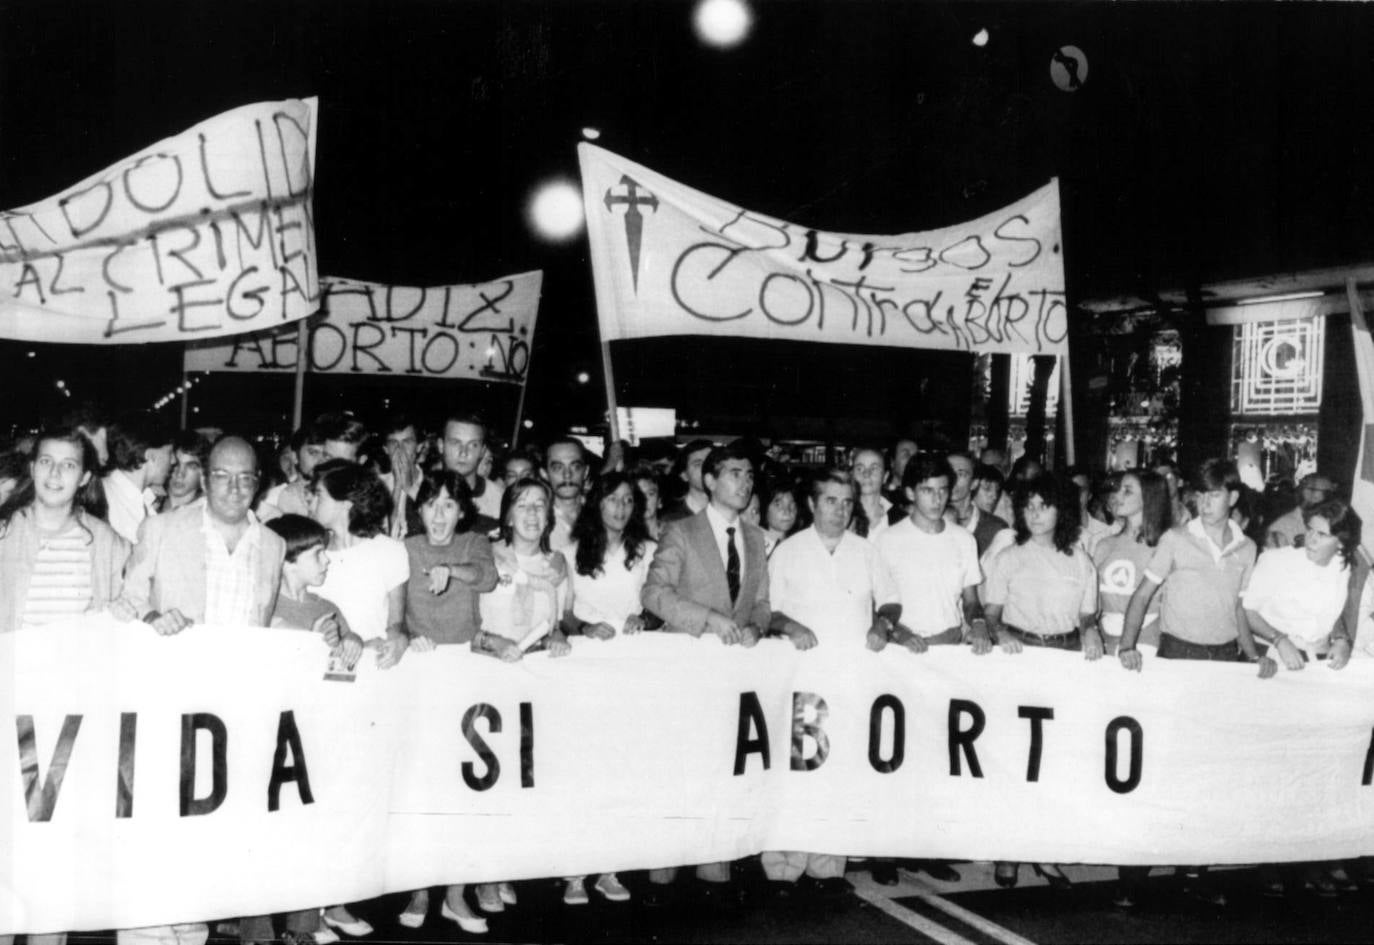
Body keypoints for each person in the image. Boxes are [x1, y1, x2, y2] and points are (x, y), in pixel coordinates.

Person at [114, 436, 286, 945]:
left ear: (259, 483)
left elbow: (267, 623)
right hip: (169, 706)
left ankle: (191, 927)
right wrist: (151, 617)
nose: (234, 488)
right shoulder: (162, 529)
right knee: (156, 833)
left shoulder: (273, 545)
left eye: (246, 477)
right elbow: (125, 603)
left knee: (208, 838)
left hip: (231, 716)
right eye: (222, 476)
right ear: (205, 477)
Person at [641, 440, 768, 907]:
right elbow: (654, 594)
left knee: (722, 768)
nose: (746, 482)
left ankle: (713, 864)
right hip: (686, 670)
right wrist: (708, 619)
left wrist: (756, 625)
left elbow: (761, 602)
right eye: (735, 473)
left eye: (750, 474)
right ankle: (663, 873)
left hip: (732, 676)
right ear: (710, 480)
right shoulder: (681, 532)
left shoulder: (755, 538)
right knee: (678, 771)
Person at [763, 467, 901, 895]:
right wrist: (790, 626)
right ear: (811, 503)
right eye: (830, 501)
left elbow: (892, 601)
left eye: (846, 502)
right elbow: (767, 610)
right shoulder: (789, 551)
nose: (840, 510)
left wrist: (882, 625)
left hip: (851, 684)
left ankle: (826, 870)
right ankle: (784, 869)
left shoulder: (865, 551)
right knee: (802, 775)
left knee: (839, 776)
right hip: (807, 684)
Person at [982, 471, 1101, 892]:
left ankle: (1046, 851)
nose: (1034, 514)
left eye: (1043, 506)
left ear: (1061, 511)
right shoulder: (1009, 557)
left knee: (1054, 763)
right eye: (1027, 506)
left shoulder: (1080, 559)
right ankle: (1009, 852)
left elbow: (1088, 612)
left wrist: (1089, 630)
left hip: (1063, 662)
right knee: (1016, 760)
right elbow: (990, 615)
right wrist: (1001, 635)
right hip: (1021, 660)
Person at [393, 469, 497, 934]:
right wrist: (411, 638)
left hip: (468, 680)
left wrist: (449, 570)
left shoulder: (474, 543)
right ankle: (419, 890)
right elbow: (395, 615)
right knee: (422, 787)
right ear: (418, 508)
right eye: (431, 503)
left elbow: (487, 578)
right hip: (421, 677)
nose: (439, 513)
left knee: (464, 791)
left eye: (449, 504)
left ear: (461, 511)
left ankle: (456, 896)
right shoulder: (405, 550)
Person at [472, 478, 572, 916]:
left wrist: (558, 637)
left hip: (533, 684)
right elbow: (466, 623)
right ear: (507, 514)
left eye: (540, 506)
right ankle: (486, 876)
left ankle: (510, 865)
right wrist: (494, 644)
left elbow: (561, 619)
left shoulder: (558, 564)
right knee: (490, 780)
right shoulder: (487, 556)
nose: (532, 514)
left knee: (527, 777)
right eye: (523, 505)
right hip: (491, 674)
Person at [558, 471, 656, 905]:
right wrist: (584, 626)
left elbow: (657, 607)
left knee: (624, 770)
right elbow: (562, 616)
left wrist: (645, 620)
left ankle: (611, 869)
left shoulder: (648, 552)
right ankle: (575, 873)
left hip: (632, 673)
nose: (620, 509)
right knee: (584, 771)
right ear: (596, 503)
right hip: (586, 671)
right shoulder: (570, 552)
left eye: (628, 502)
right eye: (612, 500)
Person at [0, 428, 129, 635]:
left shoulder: (106, 542)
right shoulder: (5, 534)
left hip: (78, 664)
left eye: (68, 465)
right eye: (46, 461)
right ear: (32, 469)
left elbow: (131, 603)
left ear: (84, 478)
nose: (54, 473)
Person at [1092, 470, 1172, 656]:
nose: (1117, 496)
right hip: (1104, 637)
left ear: (1148, 497)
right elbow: (1092, 599)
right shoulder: (1104, 544)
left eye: (1127, 491)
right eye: (1118, 489)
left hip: (1145, 641)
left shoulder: (1164, 545)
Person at [102, 414, 174, 543]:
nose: (173, 460)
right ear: (151, 456)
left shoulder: (141, 498)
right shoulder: (107, 502)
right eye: (169, 452)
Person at [441, 413, 503, 521]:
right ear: (441, 446)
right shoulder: (422, 491)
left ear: (482, 451)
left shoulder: (498, 498)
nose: (463, 452)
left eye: (473, 445)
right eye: (455, 442)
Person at [258, 424, 328, 520]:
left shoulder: (336, 497)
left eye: (326, 454)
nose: (321, 460)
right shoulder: (272, 499)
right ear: (295, 457)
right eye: (313, 453)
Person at [1265, 472, 1336, 549]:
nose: (1332, 499)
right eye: (1327, 493)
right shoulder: (1282, 527)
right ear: (1307, 493)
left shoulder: (1332, 523)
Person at [543, 436, 589, 552]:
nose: (567, 475)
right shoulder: (538, 519)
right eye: (558, 468)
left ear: (586, 472)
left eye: (575, 467)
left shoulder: (601, 513)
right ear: (544, 474)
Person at [660, 438, 713, 524]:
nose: (706, 468)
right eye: (698, 464)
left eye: (710, 462)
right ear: (684, 475)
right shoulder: (671, 519)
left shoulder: (732, 510)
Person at [967, 463, 1011, 557]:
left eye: (997, 490)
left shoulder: (998, 527)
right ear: (973, 486)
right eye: (987, 489)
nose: (994, 496)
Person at [850, 446, 893, 539]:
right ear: (852, 475)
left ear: (885, 476)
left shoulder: (898, 517)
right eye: (859, 469)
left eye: (874, 468)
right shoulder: (844, 515)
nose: (866, 474)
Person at [163, 430, 210, 512]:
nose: (180, 474)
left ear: (203, 472)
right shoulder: (148, 503)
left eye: (191, 466)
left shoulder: (206, 512)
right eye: (176, 464)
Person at [757, 476, 801, 556]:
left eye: (791, 504)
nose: (787, 511)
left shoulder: (798, 547)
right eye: (778, 505)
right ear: (765, 508)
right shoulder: (754, 545)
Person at [633, 465, 665, 541]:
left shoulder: (673, 534)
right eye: (639, 495)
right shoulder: (625, 540)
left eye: (650, 494)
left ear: (659, 501)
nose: (645, 500)